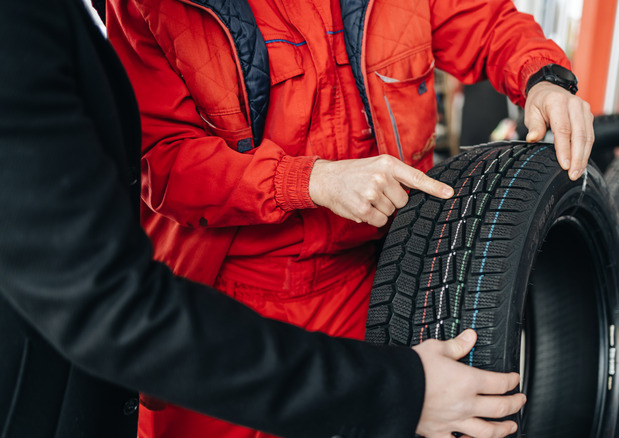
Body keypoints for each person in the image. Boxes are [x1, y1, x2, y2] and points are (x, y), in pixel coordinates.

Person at [0, 1, 526, 437]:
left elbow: (481, 21)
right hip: (218, 312)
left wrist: (541, 74)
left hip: (370, 285)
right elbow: (162, 166)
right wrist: (310, 180)